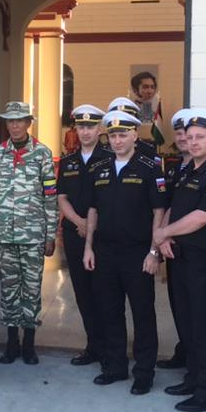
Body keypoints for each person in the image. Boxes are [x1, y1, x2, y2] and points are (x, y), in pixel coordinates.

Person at [153, 108, 206, 412]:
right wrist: (165, 237)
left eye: (201, 137)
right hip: (179, 254)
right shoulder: (188, 170)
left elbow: (202, 216)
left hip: (203, 259)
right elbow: (175, 207)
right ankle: (194, 377)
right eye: (191, 136)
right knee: (187, 320)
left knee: (204, 324)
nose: (194, 141)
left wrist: (163, 233)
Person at [83, 109, 167, 395]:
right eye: (113, 135)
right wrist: (88, 247)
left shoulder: (149, 167)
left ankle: (144, 372)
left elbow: (159, 211)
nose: (117, 140)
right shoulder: (100, 168)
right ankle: (115, 366)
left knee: (143, 313)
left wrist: (154, 252)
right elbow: (93, 210)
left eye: (123, 135)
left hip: (137, 253)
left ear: (134, 135)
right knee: (110, 311)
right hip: (105, 252)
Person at [0, 102, 58, 365]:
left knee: (31, 289)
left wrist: (50, 234)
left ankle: (29, 344)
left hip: (33, 235)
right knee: (9, 289)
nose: (14, 125)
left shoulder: (42, 153)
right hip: (4, 234)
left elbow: (50, 196)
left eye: (20, 120)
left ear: (28, 123)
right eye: (10, 121)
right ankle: (12, 343)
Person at [57, 104, 109, 367]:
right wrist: (79, 222)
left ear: (100, 129)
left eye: (91, 126)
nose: (86, 131)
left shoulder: (110, 158)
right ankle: (93, 345)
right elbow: (62, 197)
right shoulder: (68, 162)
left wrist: (91, 226)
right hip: (75, 233)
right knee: (83, 292)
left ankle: (110, 346)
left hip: (103, 235)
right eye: (81, 127)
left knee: (105, 292)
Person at [130, 71, 166, 148]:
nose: (150, 91)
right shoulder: (130, 108)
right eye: (145, 87)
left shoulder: (158, 106)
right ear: (135, 90)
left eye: (152, 87)